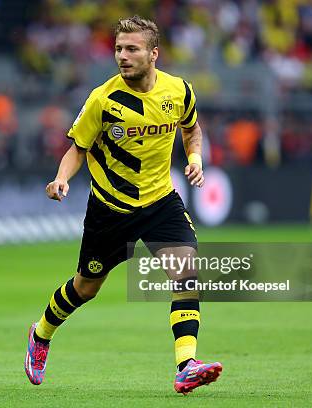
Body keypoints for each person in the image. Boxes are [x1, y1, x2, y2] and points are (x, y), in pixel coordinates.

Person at [24, 16, 222, 394]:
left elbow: (191, 127)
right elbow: (77, 147)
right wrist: (62, 178)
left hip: (161, 202)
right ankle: (41, 333)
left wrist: (194, 160)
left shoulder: (178, 90)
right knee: (86, 287)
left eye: (132, 49)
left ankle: (186, 364)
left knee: (185, 273)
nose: (122, 56)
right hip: (110, 210)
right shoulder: (103, 99)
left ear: (154, 54)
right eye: (118, 48)